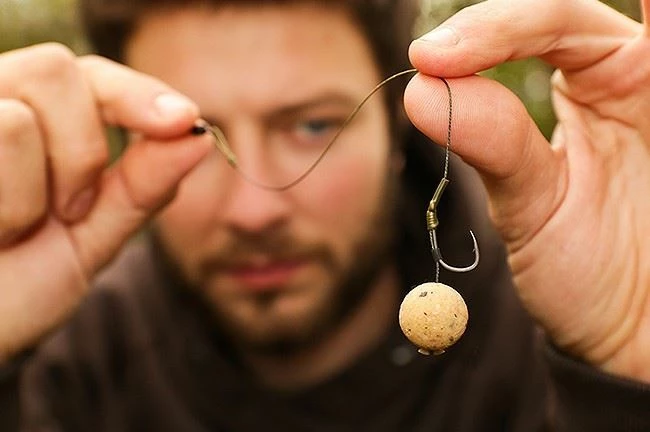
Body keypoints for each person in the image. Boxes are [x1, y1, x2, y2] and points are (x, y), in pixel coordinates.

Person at [0, 0, 648, 430]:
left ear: (396, 128)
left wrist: (629, 375)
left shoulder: (546, 339)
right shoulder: (60, 373)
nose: (254, 211)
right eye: (199, 134)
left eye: (312, 125)